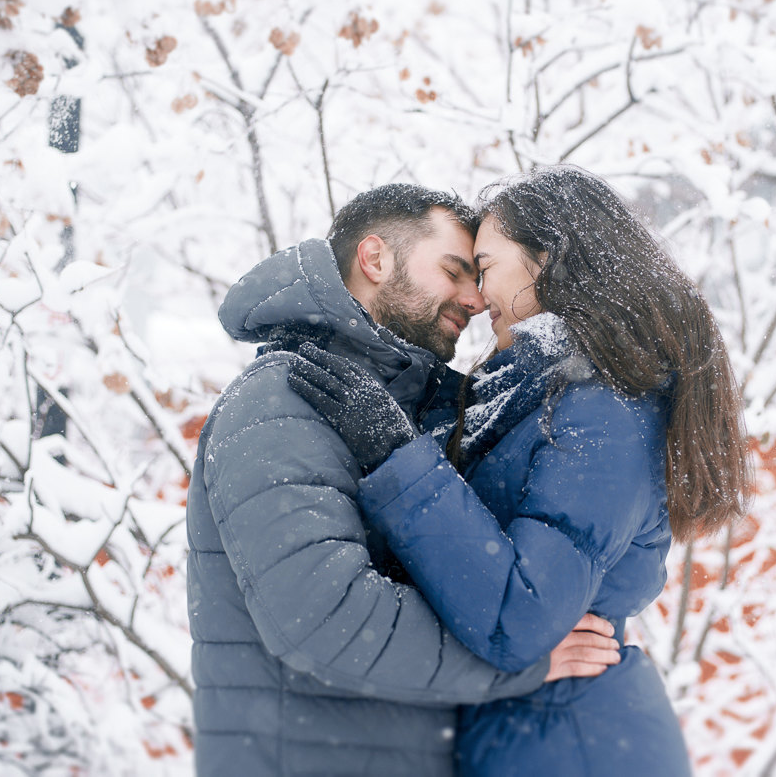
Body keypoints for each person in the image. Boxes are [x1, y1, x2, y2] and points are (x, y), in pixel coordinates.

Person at [289, 166, 752, 775]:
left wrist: (399, 459)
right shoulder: (538, 397)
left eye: (484, 269)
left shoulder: (607, 404)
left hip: (572, 740)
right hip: (532, 730)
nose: (478, 300)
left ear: (549, 259)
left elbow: (522, 614)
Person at [185, 183, 621, 776]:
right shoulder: (280, 400)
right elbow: (329, 620)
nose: (474, 299)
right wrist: (521, 662)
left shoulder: (405, 409)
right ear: (375, 259)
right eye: (454, 270)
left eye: (480, 275)